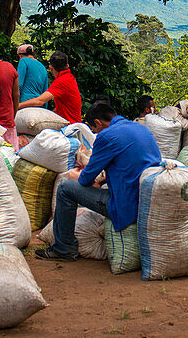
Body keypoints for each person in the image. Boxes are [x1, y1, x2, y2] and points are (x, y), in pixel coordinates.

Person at [33, 101, 161, 261]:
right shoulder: (141, 128)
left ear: (98, 123)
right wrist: (102, 181)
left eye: (94, 129)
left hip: (127, 205)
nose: (95, 133)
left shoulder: (107, 136)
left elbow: (86, 177)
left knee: (66, 188)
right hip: (147, 199)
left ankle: (64, 249)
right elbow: (133, 164)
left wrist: (76, 176)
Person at [18, 51, 82, 123]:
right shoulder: (69, 77)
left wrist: (16, 106)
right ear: (67, 66)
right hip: (70, 121)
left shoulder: (62, 81)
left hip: (70, 124)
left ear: (51, 68)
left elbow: (40, 101)